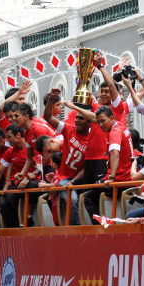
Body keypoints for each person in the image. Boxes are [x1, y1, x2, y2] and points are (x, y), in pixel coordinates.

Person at [42, 89, 90, 225]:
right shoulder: (69, 129)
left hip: (76, 179)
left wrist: (74, 181)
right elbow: (48, 117)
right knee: (72, 199)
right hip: (63, 177)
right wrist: (51, 99)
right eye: (76, 118)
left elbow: (86, 167)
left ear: (89, 123)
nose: (77, 121)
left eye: (81, 118)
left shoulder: (92, 141)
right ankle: (75, 228)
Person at [84, 106, 134, 223]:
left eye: (103, 121)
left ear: (111, 117)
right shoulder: (121, 126)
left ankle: (100, 226)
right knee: (92, 188)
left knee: (87, 197)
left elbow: (115, 154)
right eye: (98, 122)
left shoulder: (115, 132)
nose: (100, 125)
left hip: (120, 179)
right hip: (126, 176)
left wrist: (111, 177)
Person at [0, 125, 39, 227]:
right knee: (4, 201)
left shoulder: (32, 148)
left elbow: (41, 167)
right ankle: (14, 227)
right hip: (17, 183)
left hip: (33, 180)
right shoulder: (10, 151)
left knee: (30, 186)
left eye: (9, 137)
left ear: (18, 135)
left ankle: (29, 218)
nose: (7, 140)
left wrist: (27, 178)